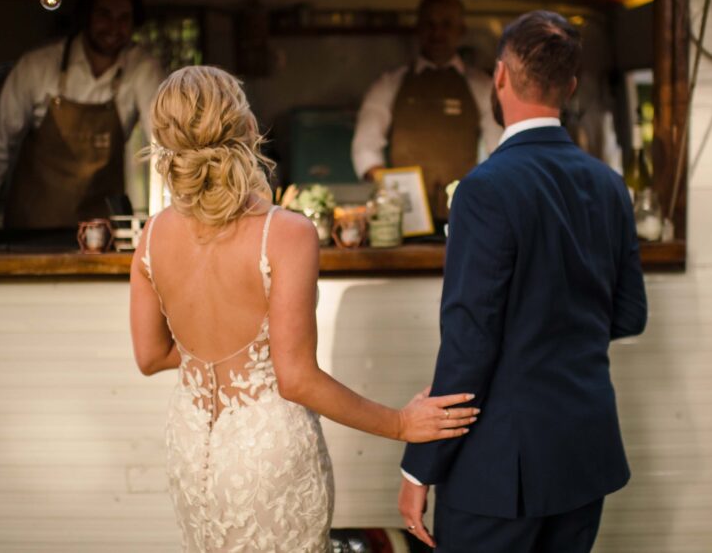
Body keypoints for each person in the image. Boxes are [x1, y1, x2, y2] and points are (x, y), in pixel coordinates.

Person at [129, 66, 480, 552]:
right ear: (248, 128)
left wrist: (221, 359)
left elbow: (150, 356)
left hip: (193, 448)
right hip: (266, 452)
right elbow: (294, 378)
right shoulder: (285, 233)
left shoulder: (151, 235)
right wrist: (400, 424)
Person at [398, 11, 648, 552]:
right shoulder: (610, 186)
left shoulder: (483, 190)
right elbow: (630, 315)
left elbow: (469, 344)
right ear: (571, 86)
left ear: (501, 77)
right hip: (584, 453)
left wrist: (420, 469)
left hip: (499, 470)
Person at [0, 0, 164, 229]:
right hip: (33, 223)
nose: (114, 27)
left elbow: (163, 141)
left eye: (124, 18)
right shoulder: (37, 66)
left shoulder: (142, 68)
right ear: (86, 16)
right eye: (104, 15)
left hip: (101, 229)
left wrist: (170, 214)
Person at [351, 0, 502, 217]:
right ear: (419, 29)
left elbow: (499, 149)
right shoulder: (389, 84)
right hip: (405, 216)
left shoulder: (482, 85)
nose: (437, 33)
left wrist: (481, 190)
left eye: (446, 24)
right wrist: (393, 190)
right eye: (430, 25)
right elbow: (365, 148)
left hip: (465, 212)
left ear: (461, 30)